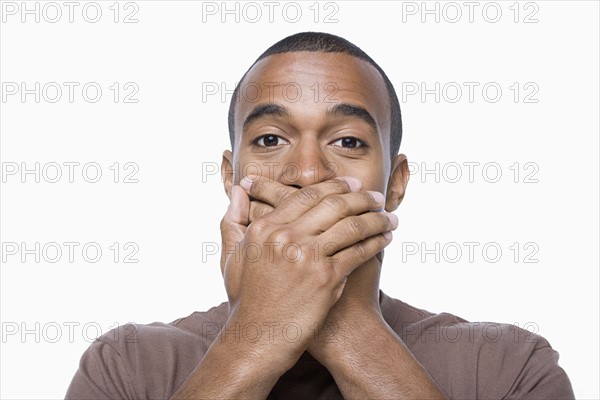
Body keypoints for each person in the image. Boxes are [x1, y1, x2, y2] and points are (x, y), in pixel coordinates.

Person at [65, 32, 574, 399]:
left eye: (348, 141)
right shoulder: (128, 366)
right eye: (270, 140)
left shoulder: (508, 365)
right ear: (230, 177)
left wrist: (346, 325)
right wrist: (257, 337)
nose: (307, 174)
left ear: (395, 184)